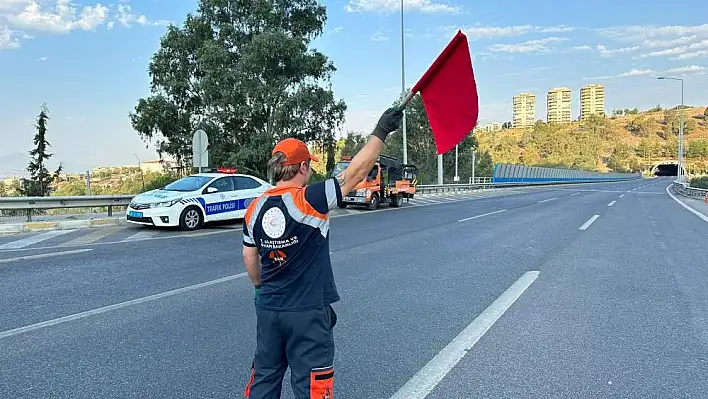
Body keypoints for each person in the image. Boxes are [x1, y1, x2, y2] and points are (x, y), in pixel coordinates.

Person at [241, 106, 404, 398]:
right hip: (306, 312)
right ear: (302, 167)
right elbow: (355, 173)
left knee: (264, 378)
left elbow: (249, 256)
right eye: (309, 166)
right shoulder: (309, 199)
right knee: (312, 385)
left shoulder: (255, 207)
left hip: (268, 310)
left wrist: (258, 288)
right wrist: (381, 131)